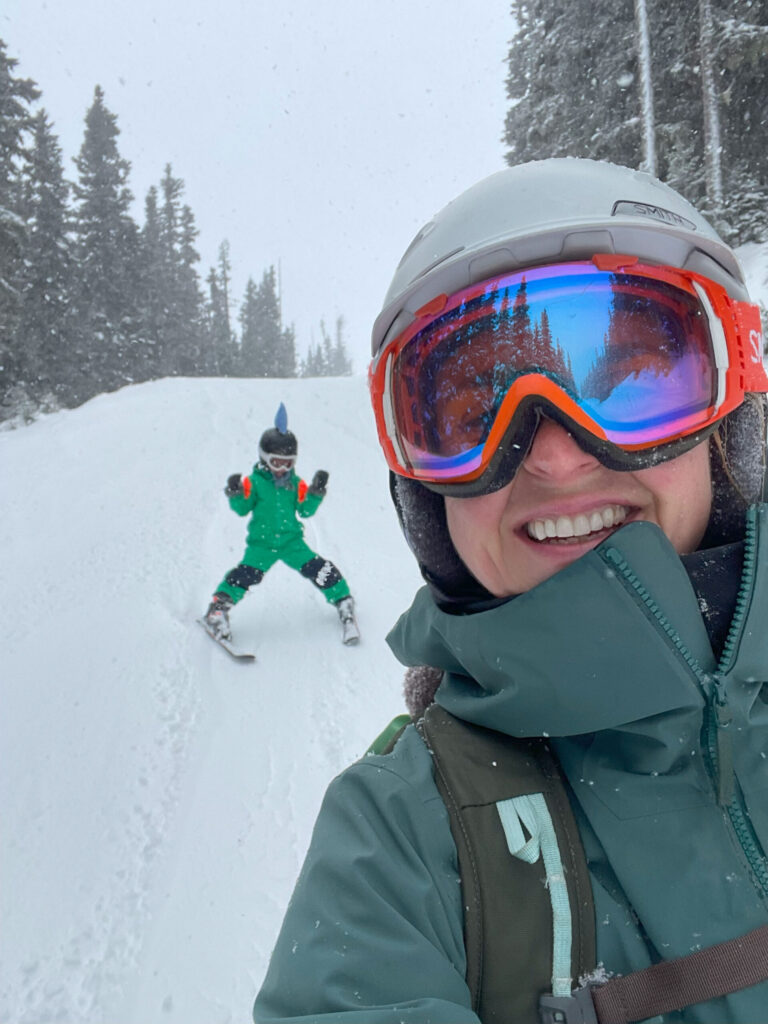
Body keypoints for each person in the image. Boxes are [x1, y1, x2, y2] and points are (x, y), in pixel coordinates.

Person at [252, 159, 768, 1022]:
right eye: (468, 412)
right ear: (425, 499)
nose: (557, 455)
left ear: (732, 418)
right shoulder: (400, 846)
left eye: (632, 378)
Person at [203, 403, 359, 646]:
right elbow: (242, 508)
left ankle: (343, 600)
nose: (282, 469)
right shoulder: (254, 482)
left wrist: (316, 492)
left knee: (319, 568)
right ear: (265, 459)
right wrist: (235, 493)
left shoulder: (295, 483)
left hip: (291, 542)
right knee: (244, 576)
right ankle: (217, 610)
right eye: (277, 463)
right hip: (261, 545)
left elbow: (305, 510)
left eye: (288, 463)